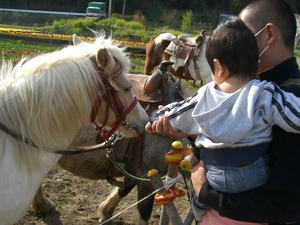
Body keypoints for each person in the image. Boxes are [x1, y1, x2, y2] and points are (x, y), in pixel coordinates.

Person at [146, 0, 300, 224]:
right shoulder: (257, 89)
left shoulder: (287, 96)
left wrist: (205, 192)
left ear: (268, 35)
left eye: (244, 36)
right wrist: (193, 132)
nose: (236, 43)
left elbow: (287, 204)